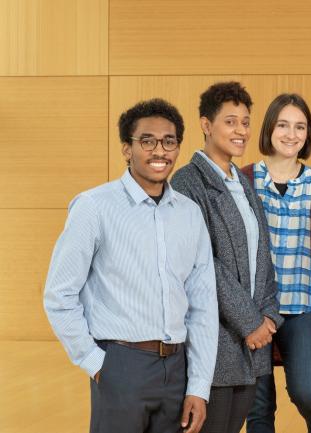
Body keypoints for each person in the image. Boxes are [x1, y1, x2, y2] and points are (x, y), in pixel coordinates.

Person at [43, 98, 219, 433]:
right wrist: (96, 364)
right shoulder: (94, 207)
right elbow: (59, 295)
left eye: (169, 141)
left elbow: (203, 306)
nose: (160, 151)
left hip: (178, 368)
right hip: (121, 364)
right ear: (127, 148)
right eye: (147, 141)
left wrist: (198, 386)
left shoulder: (189, 213)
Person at [170, 81, 283, 433]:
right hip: (216, 340)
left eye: (246, 122)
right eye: (231, 121)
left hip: (251, 342)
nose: (241, 131)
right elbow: (203, 265)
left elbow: (263, 254)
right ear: (207, 125)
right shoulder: (188, 182)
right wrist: (249, 321)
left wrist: (268, 315)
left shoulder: (242, 181)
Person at [242, 93, 311, 433]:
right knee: (259, 403)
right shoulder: (244, 180)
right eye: (283, 125)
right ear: (269, 129)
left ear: (308, 134)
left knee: (307, 392)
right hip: (255, 312)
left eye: (300, 127)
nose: (291, 134)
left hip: (302, 307)